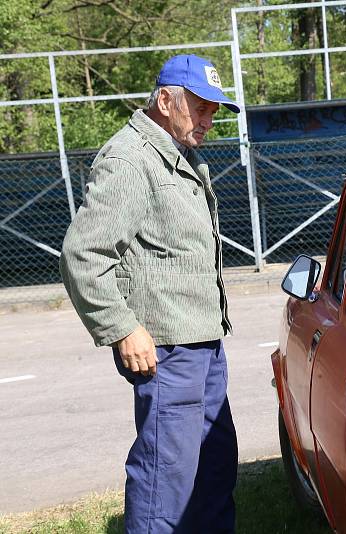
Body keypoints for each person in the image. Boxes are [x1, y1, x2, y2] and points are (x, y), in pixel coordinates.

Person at [60, 54, 240, 533]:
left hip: (200, 340)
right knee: (167, 480)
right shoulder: (131, 159)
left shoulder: (176, 153)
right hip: (166, 348)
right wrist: (121, 327)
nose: (209, 120)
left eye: (214, 111)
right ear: (165, 100)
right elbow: (84, 254)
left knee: (213, 469)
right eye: (200, 108)